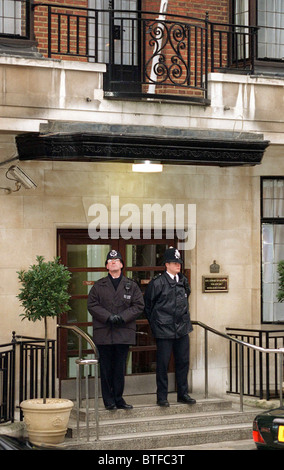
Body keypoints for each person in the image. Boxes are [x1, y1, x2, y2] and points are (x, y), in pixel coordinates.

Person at [88, 249, 144, 410]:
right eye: (110, 261)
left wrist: (122, 317)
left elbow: (139, 305)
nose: (113, 262)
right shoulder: (99, 285)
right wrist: (108, 317)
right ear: (106, 266)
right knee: (105, 369)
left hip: (123, 332)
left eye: (116, 260)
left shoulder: (131, 286)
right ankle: (109, 401)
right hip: (104, 333)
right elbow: (92, 305)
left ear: (121, 264)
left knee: (120, 368)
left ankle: (119, 398)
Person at [144, 247, 196, 407]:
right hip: (164, 329)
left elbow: (186, 300)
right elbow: (148, 306)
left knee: (183, 362)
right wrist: (156, 325)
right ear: (166, 264)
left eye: (179, 262)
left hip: (182, 328)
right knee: (163, 364)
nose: (178, 265)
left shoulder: (182, 280)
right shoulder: (158, 283)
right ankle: (162, 396)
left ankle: (183, 393)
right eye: (174, 263)